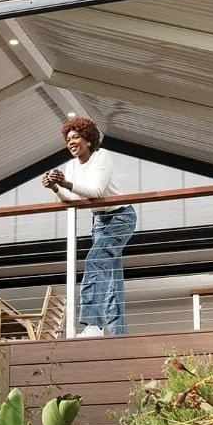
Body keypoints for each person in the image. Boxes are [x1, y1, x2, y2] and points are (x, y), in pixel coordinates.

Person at [42, 117, 136, 337]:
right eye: (68, 139)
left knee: (95, 262)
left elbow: (95, 192)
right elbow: (70, 199)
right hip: (99, 223)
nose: (71, 142)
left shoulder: (102, 157)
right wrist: (55, 187)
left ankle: (92, 324)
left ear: (88, 139)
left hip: (120, 216)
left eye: (76, 137)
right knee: (111, 279)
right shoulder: (71, 166)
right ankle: (118, 335)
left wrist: (65, 183)